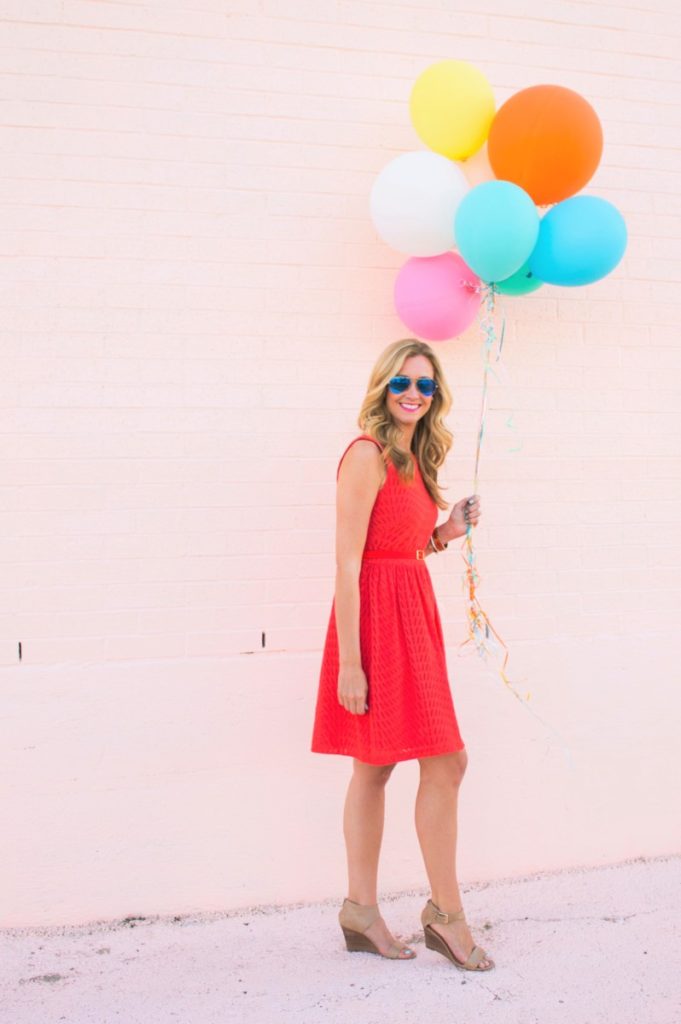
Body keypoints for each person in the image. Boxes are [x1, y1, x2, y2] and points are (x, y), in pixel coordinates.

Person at [310, 338, 495, 972]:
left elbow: (400, 546)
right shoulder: (365, 455)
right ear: (382, 387)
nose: (414, 393)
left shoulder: (414, 457)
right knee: (387, 766)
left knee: (411, 765)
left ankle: (363, 911)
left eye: (425, 384)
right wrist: (351, 664)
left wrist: (443, 534)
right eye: (402, 383)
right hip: (375, 625)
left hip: (412, 613)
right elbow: (348, 561)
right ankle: (441, 915)